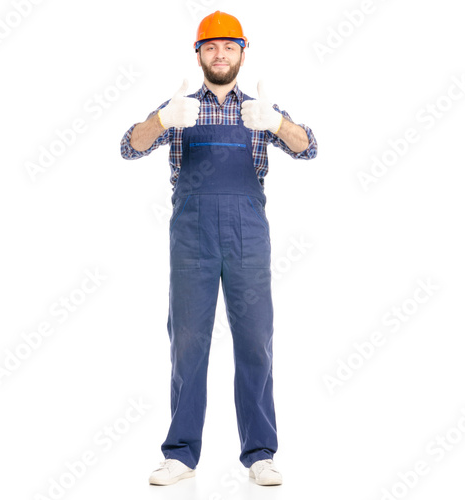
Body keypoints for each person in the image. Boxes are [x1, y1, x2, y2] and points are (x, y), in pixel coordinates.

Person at [120, 10, 318, 487]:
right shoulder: (179, 107)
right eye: (210, 46)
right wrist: (161, 118)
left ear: (242, 53)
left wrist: (275, 124)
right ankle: (181, 454)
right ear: (199, 54)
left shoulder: (261, 108)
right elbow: (129, 146)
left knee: (255, 342)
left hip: (248, 234)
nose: (220, 53)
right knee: (188, 343)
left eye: (229, 46)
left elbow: (308, 147)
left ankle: (260, 454)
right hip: (192, 236)